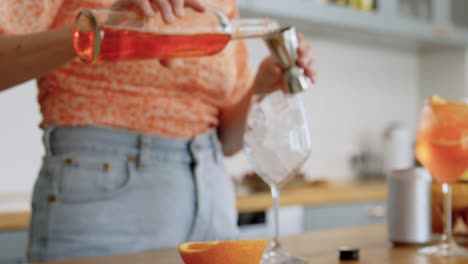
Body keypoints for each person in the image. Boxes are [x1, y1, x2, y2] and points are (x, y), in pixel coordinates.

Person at [0, 0, 316, 262]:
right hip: (103, 200)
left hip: (214, 203)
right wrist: (96, 31)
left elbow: (229, 140)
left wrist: (260, 87)